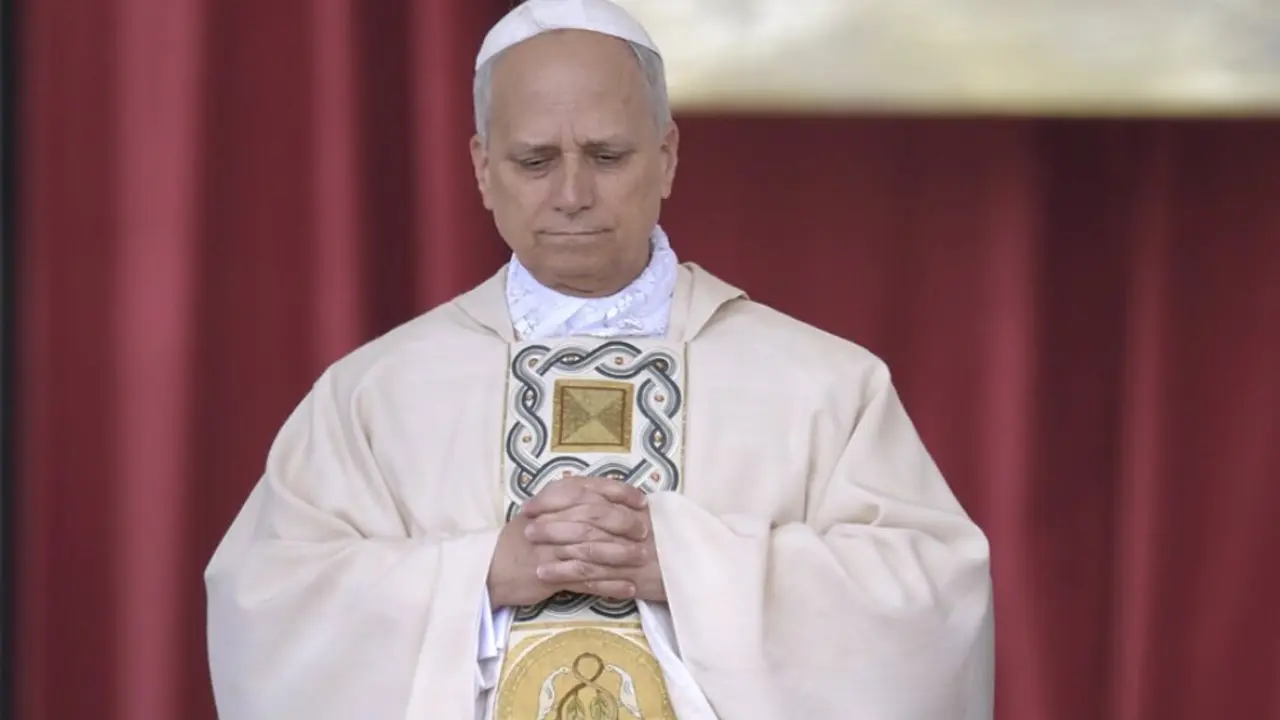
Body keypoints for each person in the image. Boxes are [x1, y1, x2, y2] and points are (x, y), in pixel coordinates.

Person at [203, 0, 995, 718]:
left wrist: (682, 564)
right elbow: (265, 608)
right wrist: (482, 575)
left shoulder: (823, 387)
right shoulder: (375, 398)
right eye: (536, 160)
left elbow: (933, 609)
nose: (574, 193)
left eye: (608, 156)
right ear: (483, 169)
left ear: (668, 156)